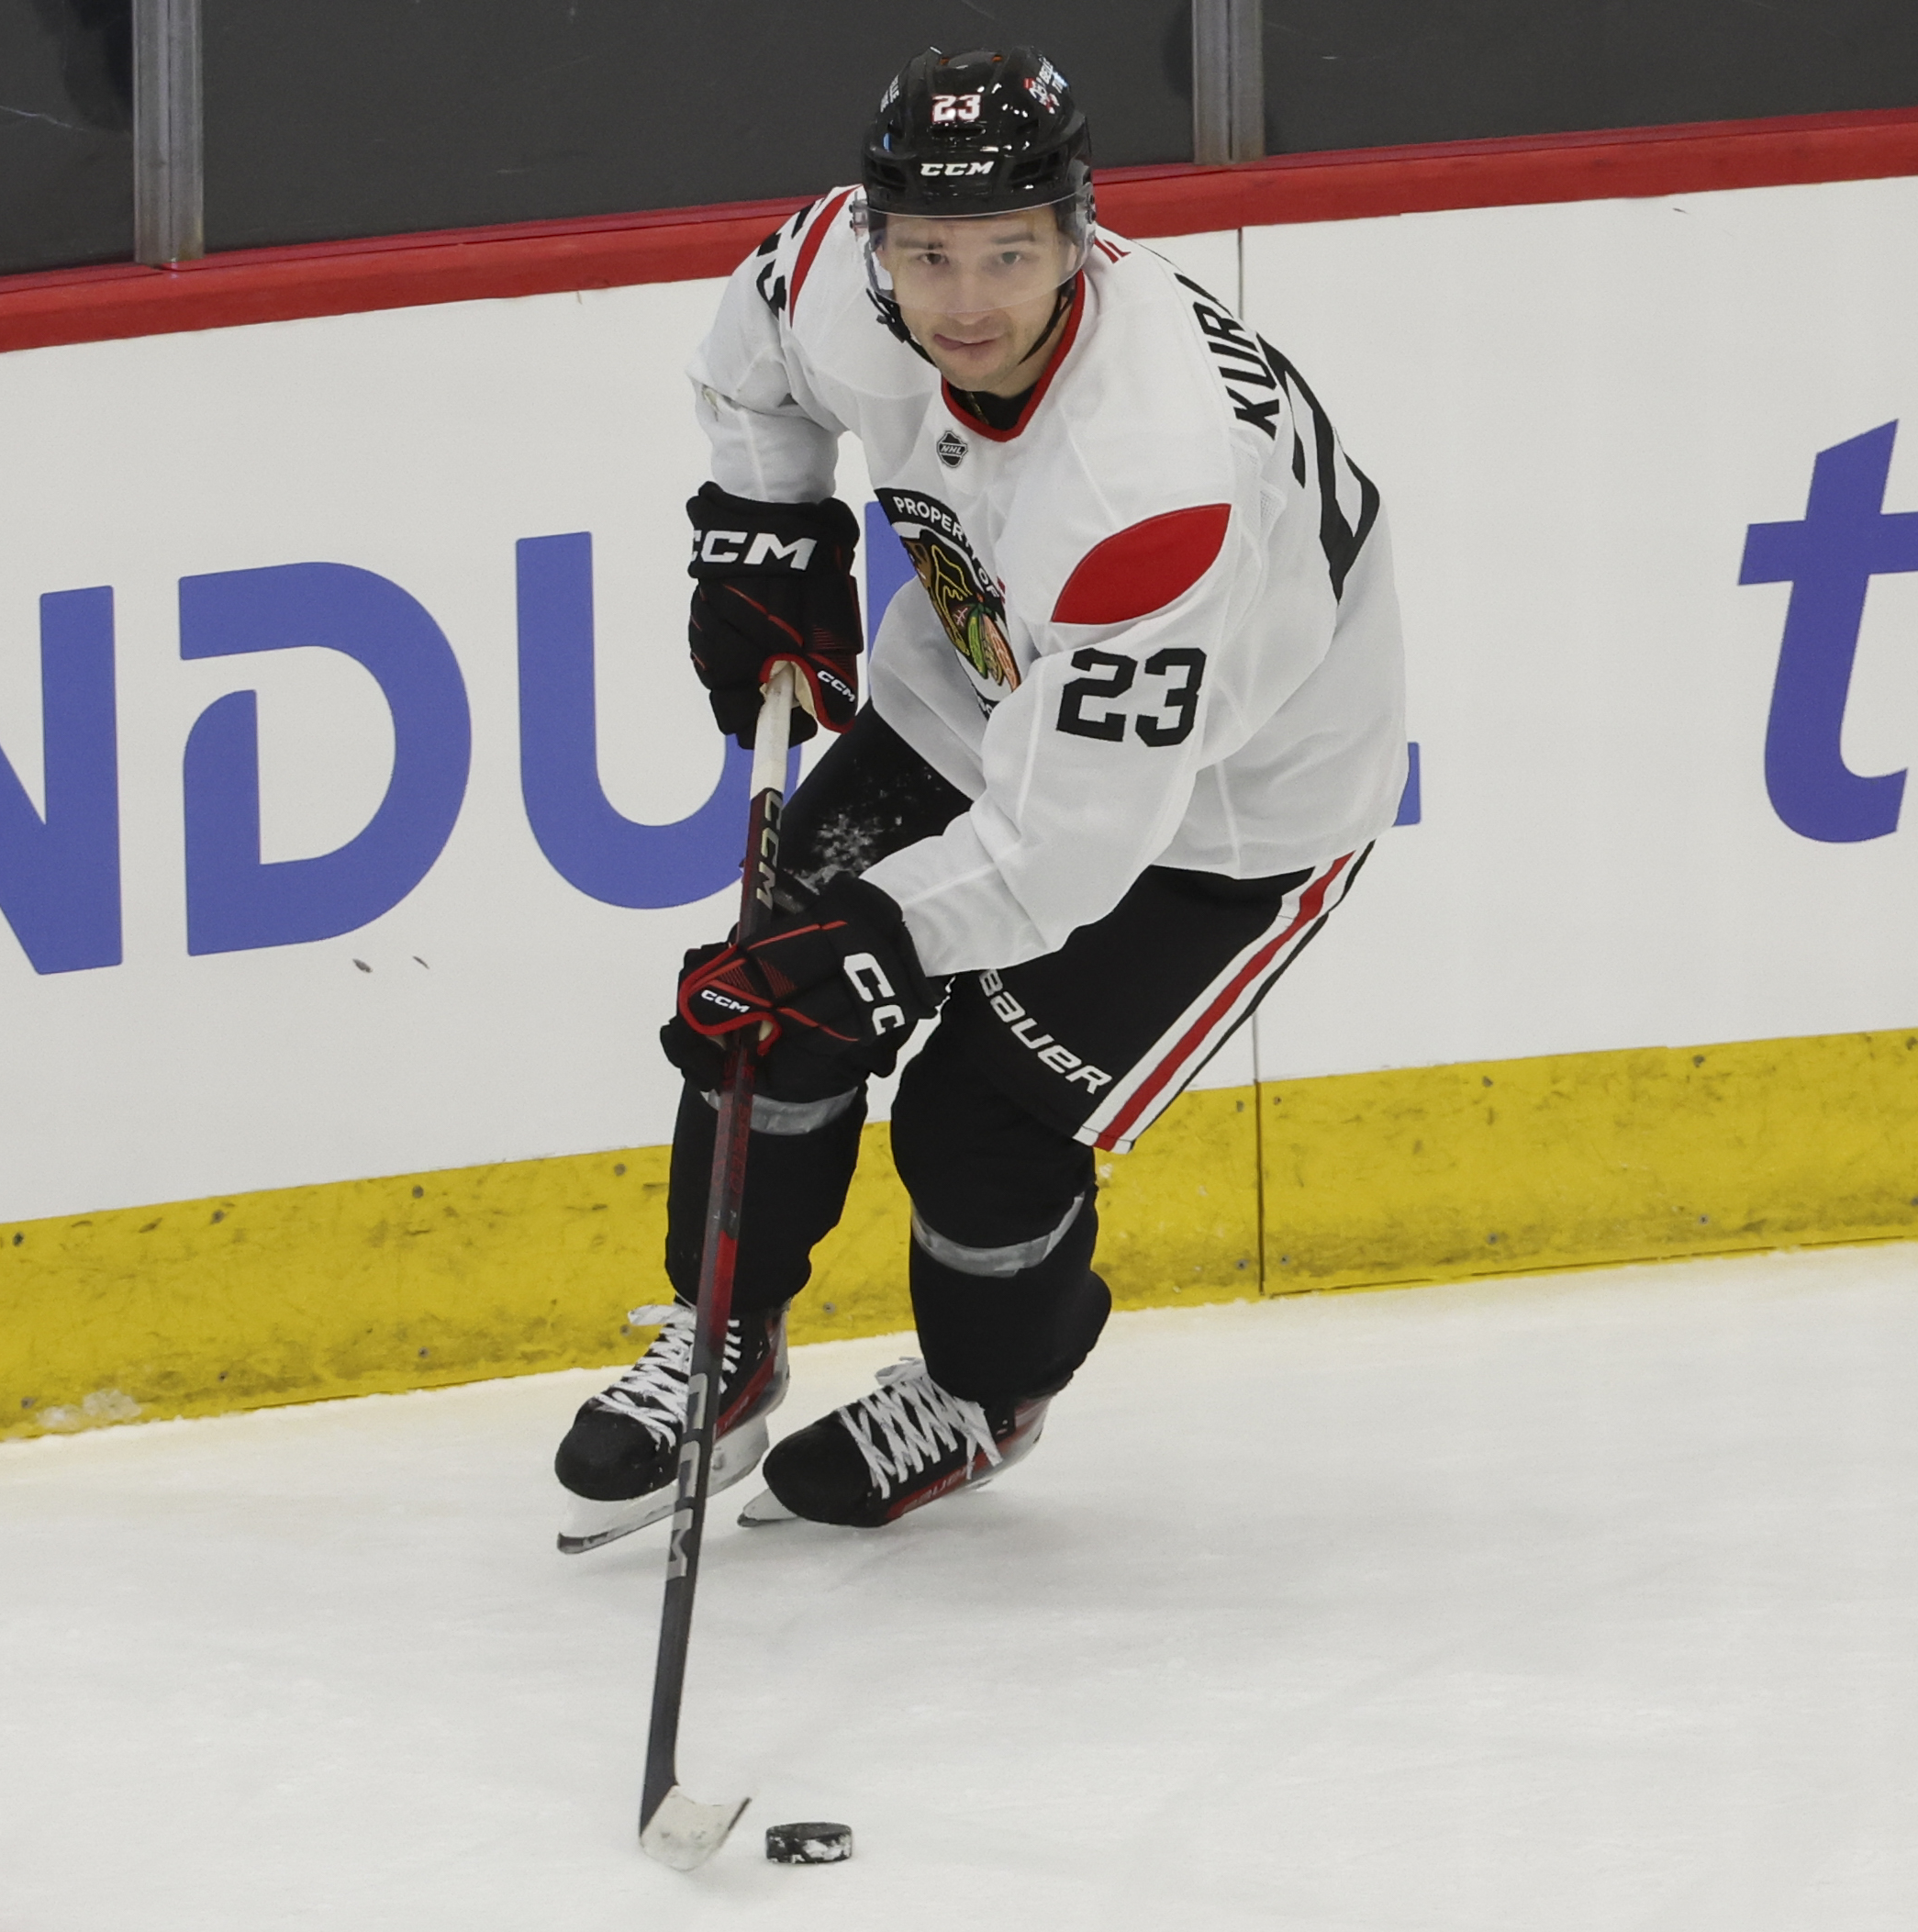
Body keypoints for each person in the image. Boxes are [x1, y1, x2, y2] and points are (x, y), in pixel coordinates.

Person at [553, 45, 1406, 1548]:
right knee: (777, 981)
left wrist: (874, 952)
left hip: (1227, 809)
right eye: (927, 251)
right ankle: (728, 1339)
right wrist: (764, 520)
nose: (964, 299)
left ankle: (981, 1392)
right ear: (878, 236)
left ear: (1082, 234)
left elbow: (1068, 849)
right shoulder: (843, 274)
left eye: (1010, 252)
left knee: (976, 1126)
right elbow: (753, 346)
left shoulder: (1151, 482)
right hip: (987, 689)